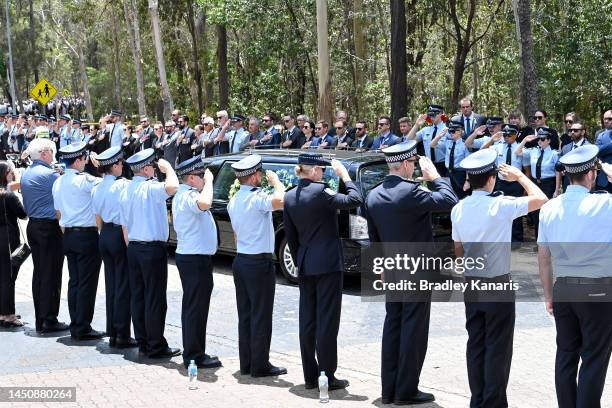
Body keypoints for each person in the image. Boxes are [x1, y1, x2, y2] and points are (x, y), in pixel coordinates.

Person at [452, 149, 547, 408]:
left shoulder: (458, 209)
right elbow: (541, 198)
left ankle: (478, 399)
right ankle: (493, 402)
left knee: (476, 344)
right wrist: (519, 177)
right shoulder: (501, 205)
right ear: (492, 178)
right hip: (497, 282)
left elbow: (458, 251)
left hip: (472, 282)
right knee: (498, 347)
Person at [366, 141, 458, 405]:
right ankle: (406, 391)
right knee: (413, 330)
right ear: (406, 164)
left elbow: (375, 240)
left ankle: (389, 390)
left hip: (393, 271)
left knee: (393, 326)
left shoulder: (373, 195)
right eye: (413, 164)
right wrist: (436, 177)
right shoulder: (411, 192)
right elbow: (450, 201)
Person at [537, 145, 612, 408]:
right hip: (598, 290)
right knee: (594, 357)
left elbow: (544, 258)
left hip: (563, 289)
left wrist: (548, 295)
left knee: (566, 355)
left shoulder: (549, 208)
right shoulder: (606, 203)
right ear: (592, 174)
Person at [283, 153, 363, 390]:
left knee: (307, 320)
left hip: (306, 263)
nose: (324, 173)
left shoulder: (289, 196)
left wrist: (300, 260)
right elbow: (355, 199)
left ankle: (310, 375)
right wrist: (345, 176)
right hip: (327, 264)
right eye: (322, 169)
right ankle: (326, 374)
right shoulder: (321, 192)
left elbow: (291, 235)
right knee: (327, 320)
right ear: (314, 171)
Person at [227, 154, 287, 377]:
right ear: (253, 177)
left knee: (246, 315)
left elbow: (235, 235)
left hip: (241, 259)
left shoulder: (234, 200)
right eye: (259, 174)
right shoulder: (257, 198)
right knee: (261, 314)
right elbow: (281, 200)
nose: (262, 177)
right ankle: (260, 365)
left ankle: (247, 362)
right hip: (258, 263)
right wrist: (276, 182)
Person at [120, 149, 181, 358]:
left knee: (138, 296)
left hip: (135, 247)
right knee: (154, 298)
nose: (155, 170)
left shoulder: (126, 189)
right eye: (153, 167)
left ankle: (143, 341)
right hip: (151, 248)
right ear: (146, 169)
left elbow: (124, 226)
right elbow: (173, 187)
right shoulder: (149, 187)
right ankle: (156, 345)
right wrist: (169, 168)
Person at [173, 156, 222, 369]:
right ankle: (193, 355)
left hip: (195, 258)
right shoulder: (188, 196)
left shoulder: (186, 194)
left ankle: (195, 351)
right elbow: (205, 203)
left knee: (196, 307)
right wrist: (210, 183)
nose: (204, 179)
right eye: (202, 176)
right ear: (192, 178)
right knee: (195, 308)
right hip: (194, 259)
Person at [52, 142, 104, 340]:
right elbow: (107, 184)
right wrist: (99, 165)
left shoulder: (58, 181)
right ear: (78, 160)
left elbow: (58, 212)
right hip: (86, 235)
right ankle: (82, 327)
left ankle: (76, 323)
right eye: (83, 160)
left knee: (75, 281)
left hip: (69, 234)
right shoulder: (85, 180)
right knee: (86, 283)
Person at [20, 139, 68, 333]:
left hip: (34, 226)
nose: (52, 153)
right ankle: (49, 319)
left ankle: (42, 317)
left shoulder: (28, 173)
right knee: (51, 274)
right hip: (48, 228)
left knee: (40, 273)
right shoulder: (49, 174)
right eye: (50, 150)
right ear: (43, 153)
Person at [91, 146, 136, 348]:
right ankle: (122, 334)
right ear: (115, 165)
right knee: (123, 285)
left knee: (111, 284)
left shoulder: (97, 187)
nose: (122, 167)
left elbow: (97, 217)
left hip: (105, 234)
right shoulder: (123, 185)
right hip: (119, 234)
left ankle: (113, 331)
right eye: (120, 164)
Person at [516, 128, 561, 237]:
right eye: (538, 139)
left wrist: (557, 190)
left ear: (549, 140)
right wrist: (525, 140)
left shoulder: (554, 154)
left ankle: (549, 240)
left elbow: (558, 172)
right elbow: (517, 151)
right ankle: (538, 240)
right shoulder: (533, 151)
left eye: (542, 139)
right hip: (535, 184)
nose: (539, 141)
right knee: (536, 212)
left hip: (548, 184)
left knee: (547, 212)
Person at [488, 124, 526, 243]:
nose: (507, 137)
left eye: (510, 134)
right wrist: (491, 140)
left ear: (516, 135)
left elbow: (527, 168)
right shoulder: (497, 147)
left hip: (516, 184)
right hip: (501, 183)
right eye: (505, 134)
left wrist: (525, 186)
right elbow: (483, 151)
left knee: (516, 212)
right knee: (501, 211)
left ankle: (517, 240)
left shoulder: (521, 149)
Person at [0, 161, 27, 328]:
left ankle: (3, 312)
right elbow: (23, 215)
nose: (12, 174)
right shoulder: (8, 196)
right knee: (9, 278)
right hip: (7, 238)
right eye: (10, 172)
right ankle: (8, 315)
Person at [430, 120, 470, 198]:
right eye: (450, 131)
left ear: (460, 132)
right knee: (449, 196)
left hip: (460, 174)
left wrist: (467, 181)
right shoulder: (447, 143)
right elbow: (432, 145)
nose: (451, 133)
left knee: (461, 196)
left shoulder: (465, 145)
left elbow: (468, 164)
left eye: (453, 131)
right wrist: (440, 135)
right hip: (448, 173)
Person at [406, 105, 448, 175]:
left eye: (434, 114)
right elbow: (409, 140)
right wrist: (416, 125)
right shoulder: (426, 130)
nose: (432, 117)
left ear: (441, 114)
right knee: (430, 186)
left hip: (443, 165)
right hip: (429, 164)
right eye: (430, 115)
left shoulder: (447, 130)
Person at [558, 121, 591, 192]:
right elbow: (559, 166)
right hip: (567, 185)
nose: (572, 132)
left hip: (585, 185)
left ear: (583, 132)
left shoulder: (589, 148)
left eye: (575, 130)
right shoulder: (565, 148)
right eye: (571, 130)